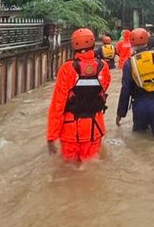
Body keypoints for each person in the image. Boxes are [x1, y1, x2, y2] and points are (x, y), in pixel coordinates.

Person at [47, 28, 111, 163]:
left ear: (73, 45)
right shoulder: (103, 66)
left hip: (70, 130)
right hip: (95, 128)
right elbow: (103, 89)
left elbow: (58, 104)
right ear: (93, 44)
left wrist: (51, 136)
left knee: (69, 171)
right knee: (91, 167)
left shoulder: (67, 68)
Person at [116, 28, 154, 138]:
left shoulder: (129, 63)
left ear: (131, 43)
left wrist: (120, 113)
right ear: (147, 41)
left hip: (139, 106)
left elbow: (125, 90)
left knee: (140, 137)